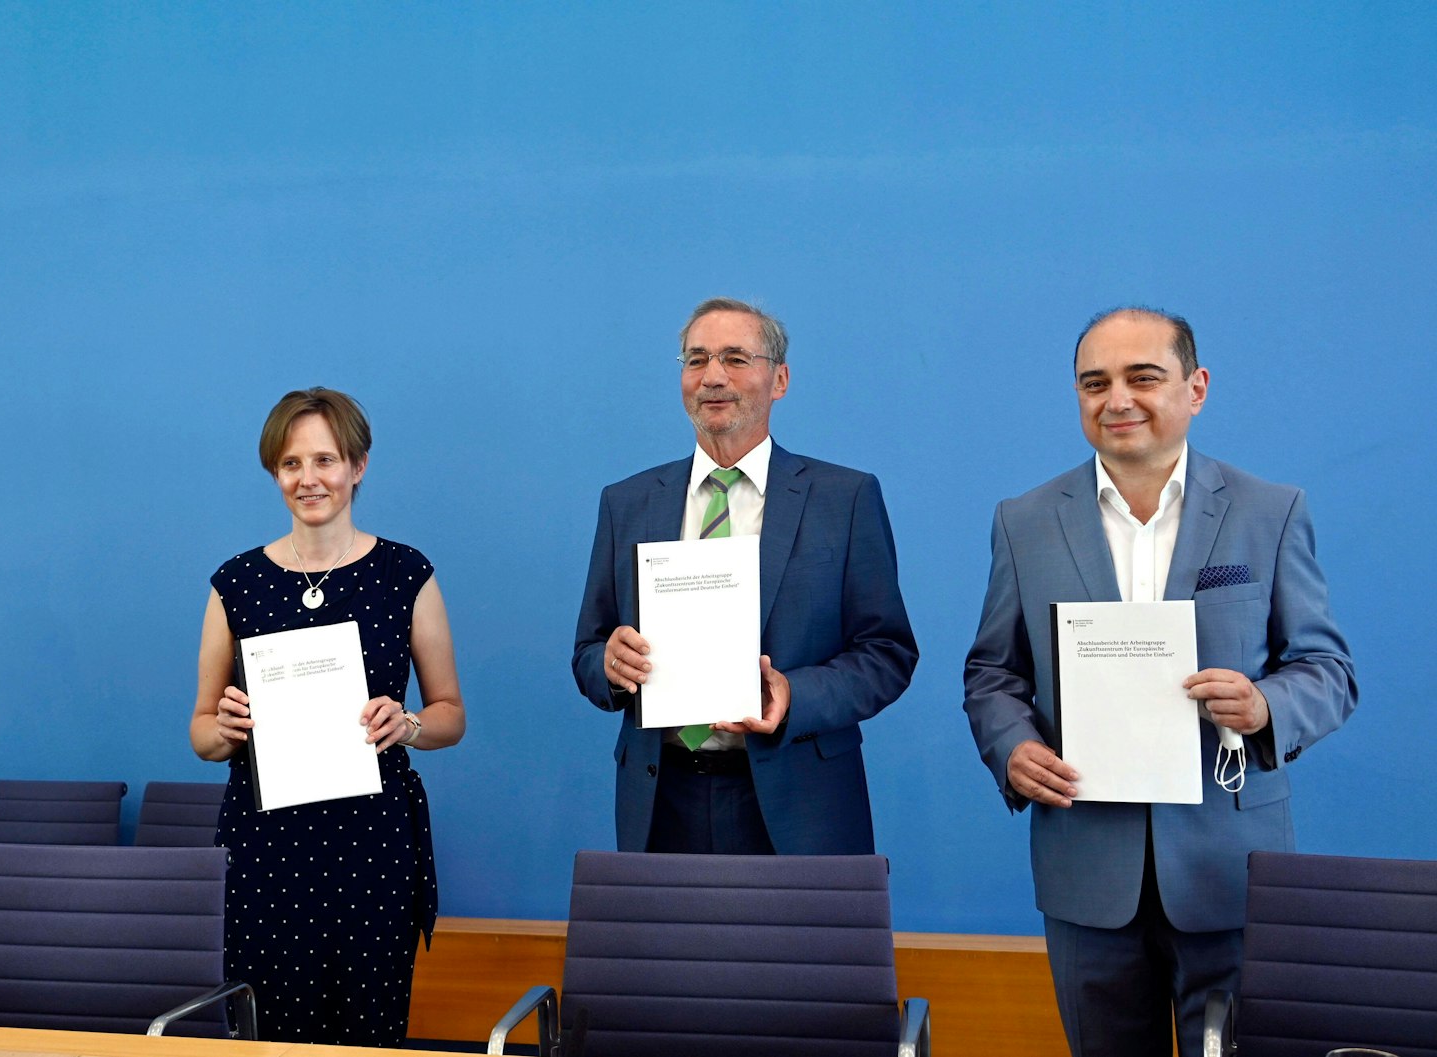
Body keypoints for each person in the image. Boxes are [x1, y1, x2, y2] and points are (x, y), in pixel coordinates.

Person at [962, 307, 1357, 1057]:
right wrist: (1011, 747)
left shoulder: (1269, 511)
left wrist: (1264, 704)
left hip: (1229, 868)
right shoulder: (1025, 520)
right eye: (1095, 383)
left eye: (1142, 377)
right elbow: (993, 672)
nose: (1118, 399)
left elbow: (1328, 670)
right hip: (1085, 870)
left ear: (1195, 387)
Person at [572, 297, 918, 855]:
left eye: (735, 358)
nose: (712, 376)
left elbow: (888, 652)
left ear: (779, 380)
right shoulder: (627, 503)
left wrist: (793, 694)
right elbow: (589, 650)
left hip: (801, 802)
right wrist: (611, 667)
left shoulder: (844, 498)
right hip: (662, 800)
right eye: (696, 359)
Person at [190, 387, 465, 1047]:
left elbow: (451, 714)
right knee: (270, 1029)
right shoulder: (235, 583)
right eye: (291, 463)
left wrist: (409, 724)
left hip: (371, 843)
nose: (308, 479)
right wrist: (223, 730)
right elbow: (201, 731)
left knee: (369, 1027)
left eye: (325, 460)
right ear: (274, 472)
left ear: (357, 466)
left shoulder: (406, 574)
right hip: (265, 846)